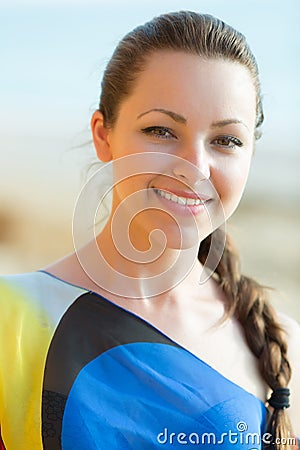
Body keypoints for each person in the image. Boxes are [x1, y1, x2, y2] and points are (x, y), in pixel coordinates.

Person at [0, 10, 299, 450]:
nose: (193, 167)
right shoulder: (12, 321)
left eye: (226, 140)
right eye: (160, 131)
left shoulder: (283, 346)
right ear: (104, 136)